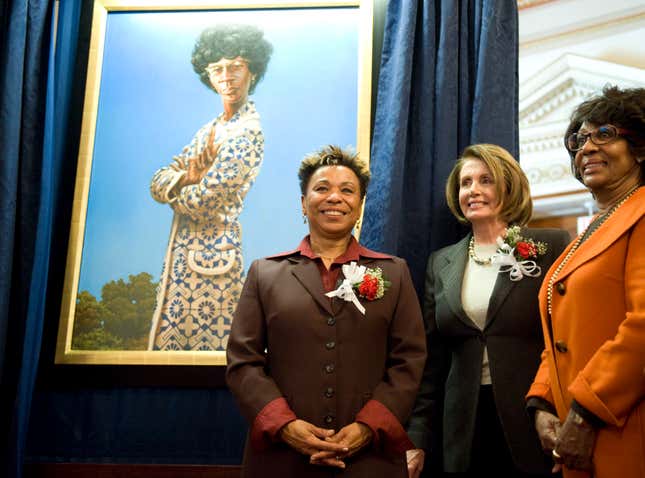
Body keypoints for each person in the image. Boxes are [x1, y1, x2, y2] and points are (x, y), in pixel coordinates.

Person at [226, 145, 427, 477]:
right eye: (322, 188)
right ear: (304, 204)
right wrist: (284, 425)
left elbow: (410, 360)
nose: (335, 197)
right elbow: (242, 361)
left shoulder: (394, 272)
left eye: (347, 190)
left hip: (370, 460)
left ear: (360, 206)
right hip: (282, 459)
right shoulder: (265, 273)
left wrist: (368, 425)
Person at [406, 144, 571, 477]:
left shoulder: (551, 246)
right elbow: (432, 360)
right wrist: (418, 436)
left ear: (507, 187)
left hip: (533, 416)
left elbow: (566, 340)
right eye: (465, 183)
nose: (473, 190)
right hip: (463, 428)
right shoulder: (441, 262)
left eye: (485, 180)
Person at [526, 85, 645, 478]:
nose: (587, 147)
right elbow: (559, 334)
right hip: (577, 434)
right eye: (579, 139)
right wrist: (542, 404)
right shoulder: (586, 236)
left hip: (624, 428)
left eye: (605, 134)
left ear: (640, 148)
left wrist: (585, 412)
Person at [148, 25, 273, 351]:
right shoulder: (211, 129)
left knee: (212, 359)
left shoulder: (247, 132)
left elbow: (205, 202)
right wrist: (186, 179)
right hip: (182, 260)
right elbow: (157, 180)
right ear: (208, 75)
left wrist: (183, 185)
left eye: (236, 66)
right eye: (217, 69)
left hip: (213, 262)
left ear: (253, 71)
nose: (227, 77)